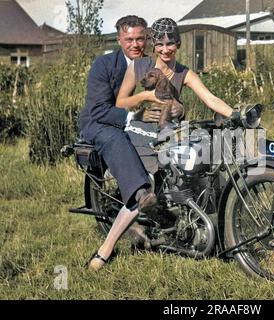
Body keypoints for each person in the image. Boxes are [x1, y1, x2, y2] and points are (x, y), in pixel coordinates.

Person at [78, 15, 183, 271]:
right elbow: (100, 110)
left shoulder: (151, 64)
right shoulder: (103, 64)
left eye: (140, 39)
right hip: (101, 123)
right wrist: (136, 115)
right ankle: (140, 193)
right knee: (117, 141)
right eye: (129, 39)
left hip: (139, 123)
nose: (135, 44)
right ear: (119, 39)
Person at [116, 17, 235, 153]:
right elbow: (120, 103)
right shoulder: (138, 66)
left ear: (178, 43)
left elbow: (211, 99)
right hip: (138, 132)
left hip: (169, 134)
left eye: (170, 43)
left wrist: (237, 116)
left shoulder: (184, 73)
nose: (165, 50)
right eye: (160, 44)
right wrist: (144, 100)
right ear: (154, 44)